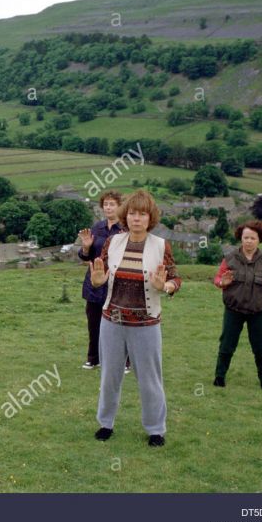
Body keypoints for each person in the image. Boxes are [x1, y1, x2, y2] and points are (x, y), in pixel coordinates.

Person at [89, 190, 181, 447]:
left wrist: (166, 286)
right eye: (132, 213)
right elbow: (101, 274)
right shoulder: (113, 242)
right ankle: (105, 423)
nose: (136, 218)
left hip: (145, 325)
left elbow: (175, 279)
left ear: (150, 218)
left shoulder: (161, 245)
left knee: (150, 379)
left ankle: (155, 429)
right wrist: (98, 281)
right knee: (109, 376)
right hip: (112, 322)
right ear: (125, 215)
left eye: (142, 214)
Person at [212, 220, 262, 390]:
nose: (249, 241)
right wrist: (222, 282)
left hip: (258, 312)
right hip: (233, 310)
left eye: (253, 238)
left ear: (259, 240)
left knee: (261, 347)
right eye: (245, 237)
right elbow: (218, 279)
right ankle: (219, 377)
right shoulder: (229, 259)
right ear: (240, 238)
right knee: (227, 345)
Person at [78, 191, 130, 374]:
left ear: (120, 207)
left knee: (118, 323)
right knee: (94, 323)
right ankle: (93, 359)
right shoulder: (97, 228)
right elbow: (85, 256)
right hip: (94, 282)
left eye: (112, 204)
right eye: (106, 204)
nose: (108, 207)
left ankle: (124, 361)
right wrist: (85, 247)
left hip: (117, 283)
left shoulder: (125, 230)